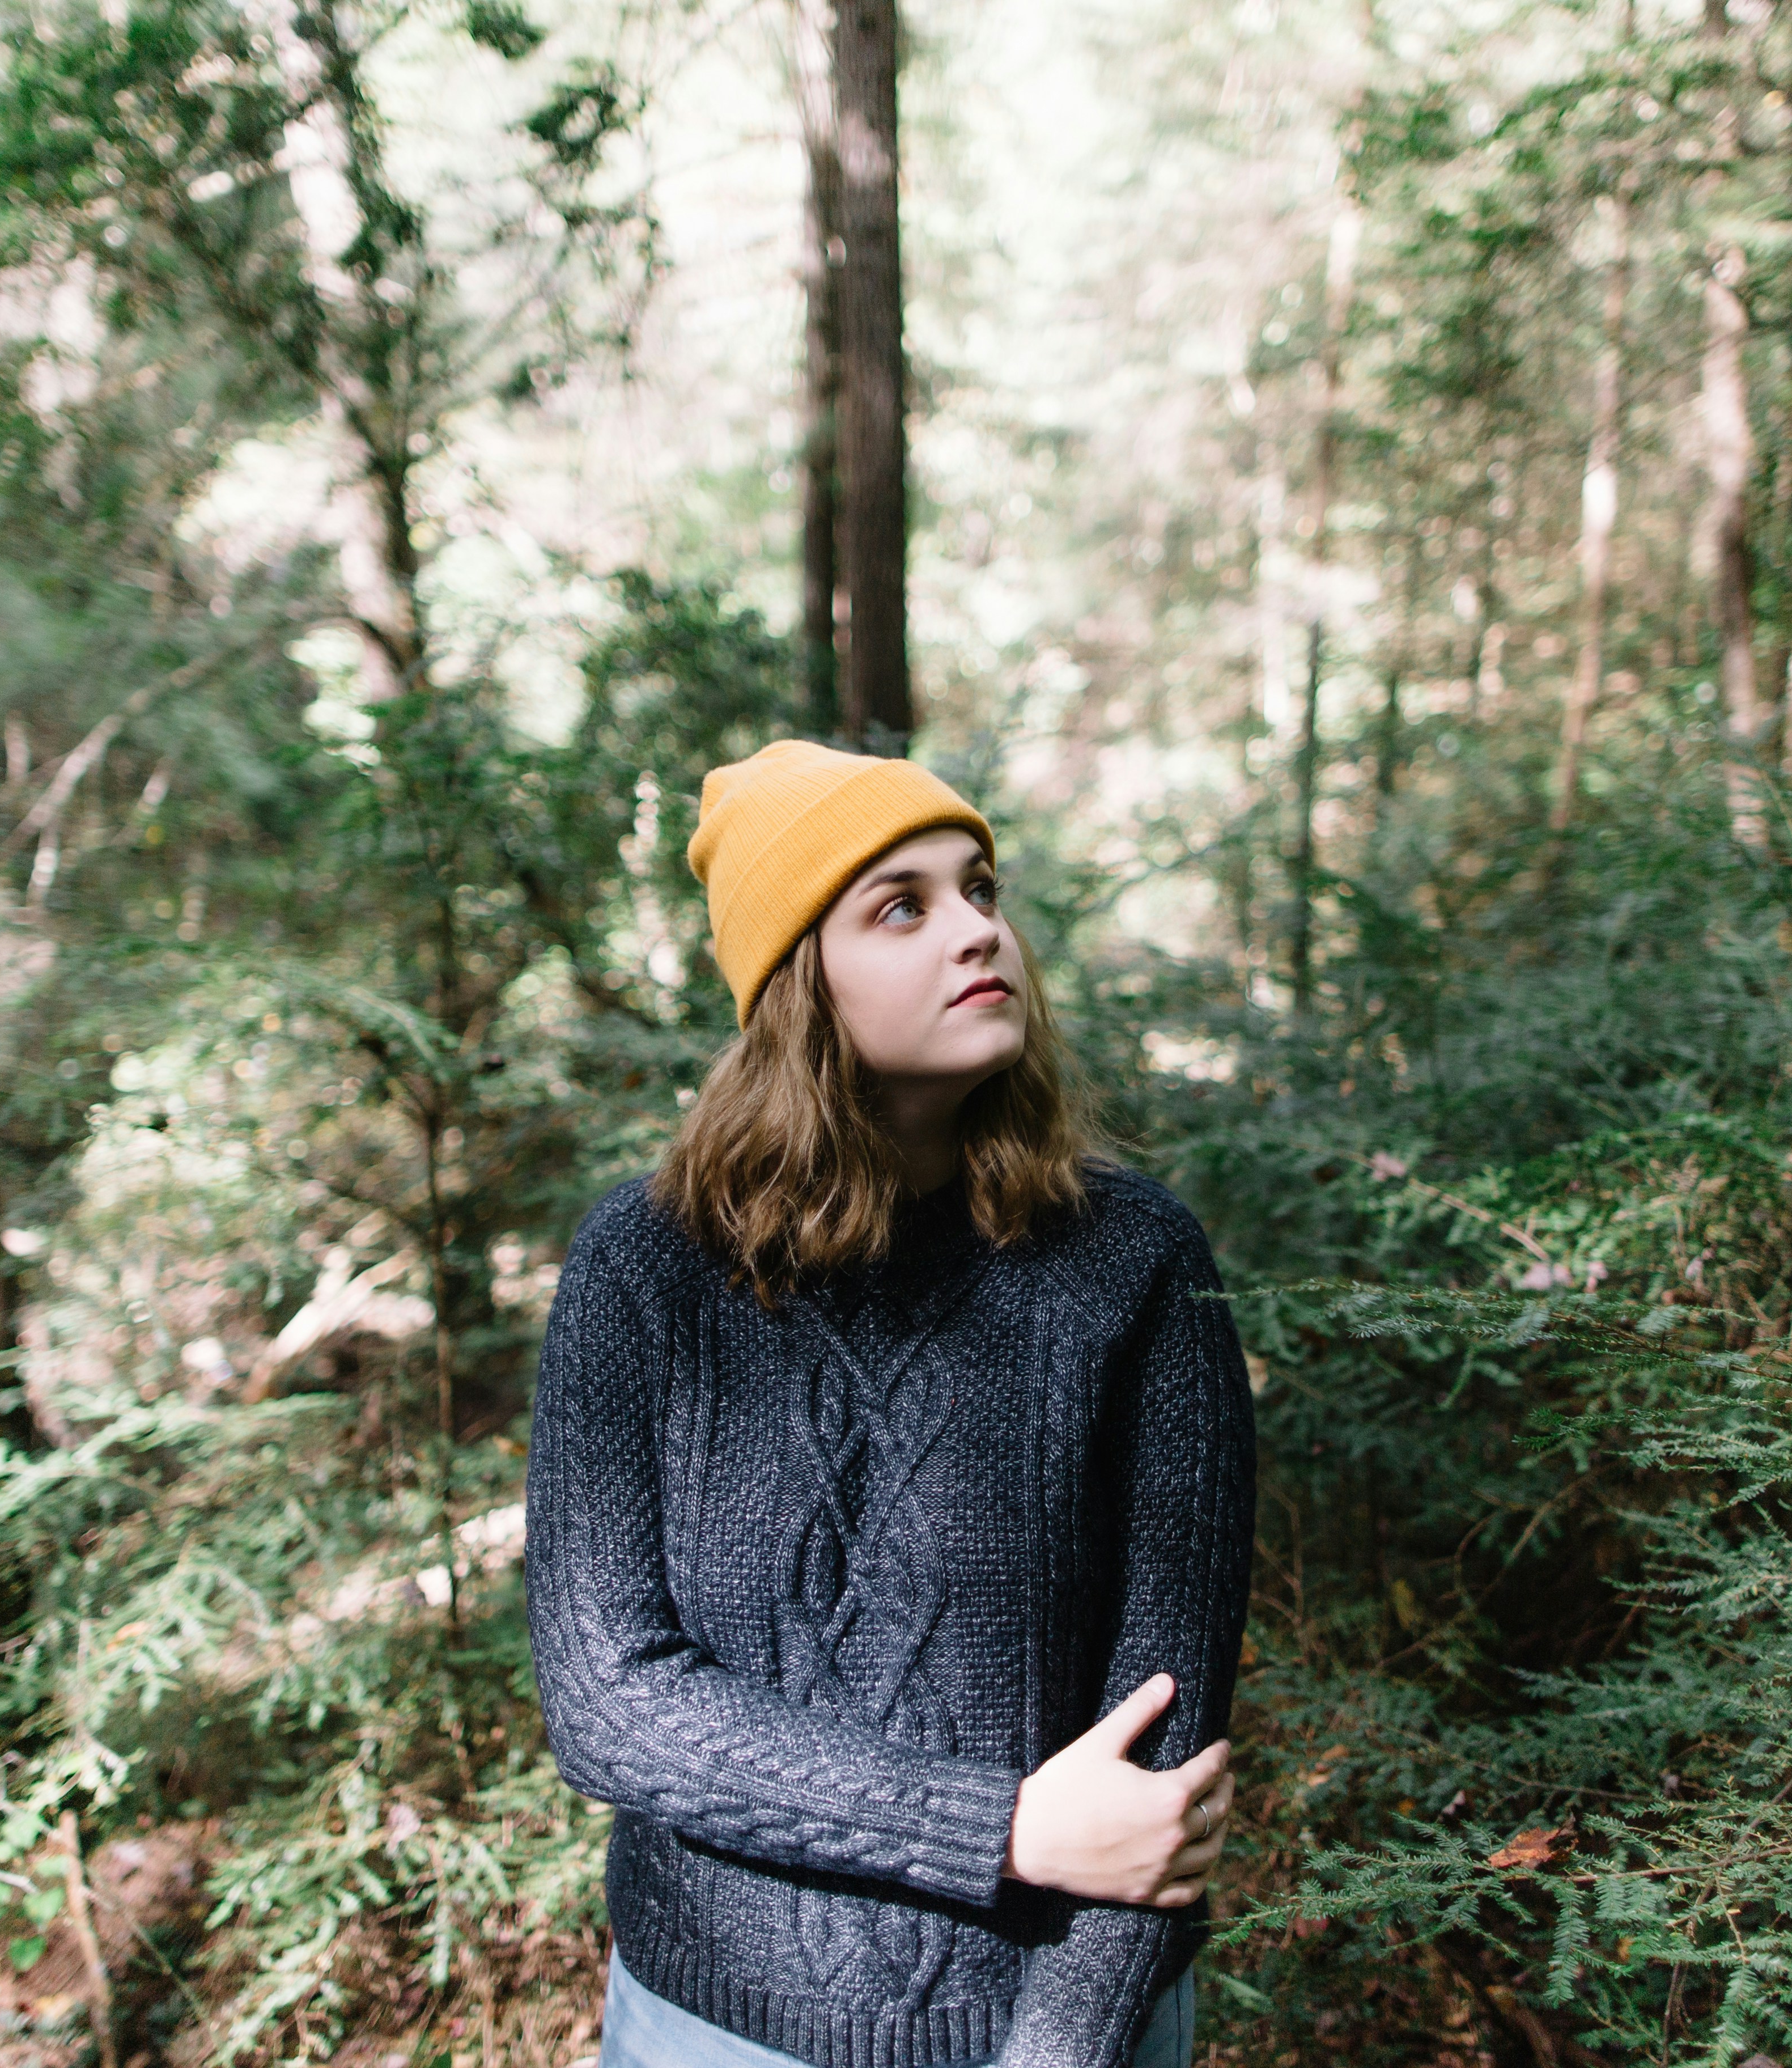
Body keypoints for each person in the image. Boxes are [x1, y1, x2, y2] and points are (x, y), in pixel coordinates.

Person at [524, 740, 1260, 2068]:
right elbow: (607, 1697)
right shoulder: (644, 1272)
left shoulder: (1133, 1265)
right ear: (800, 977)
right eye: (903, 906)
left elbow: (1163, 1763)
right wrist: (1000, 1829)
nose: (981, 928)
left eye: (980, 887)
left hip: (1059, 2026)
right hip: (712, 2029)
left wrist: (1057, 2054)